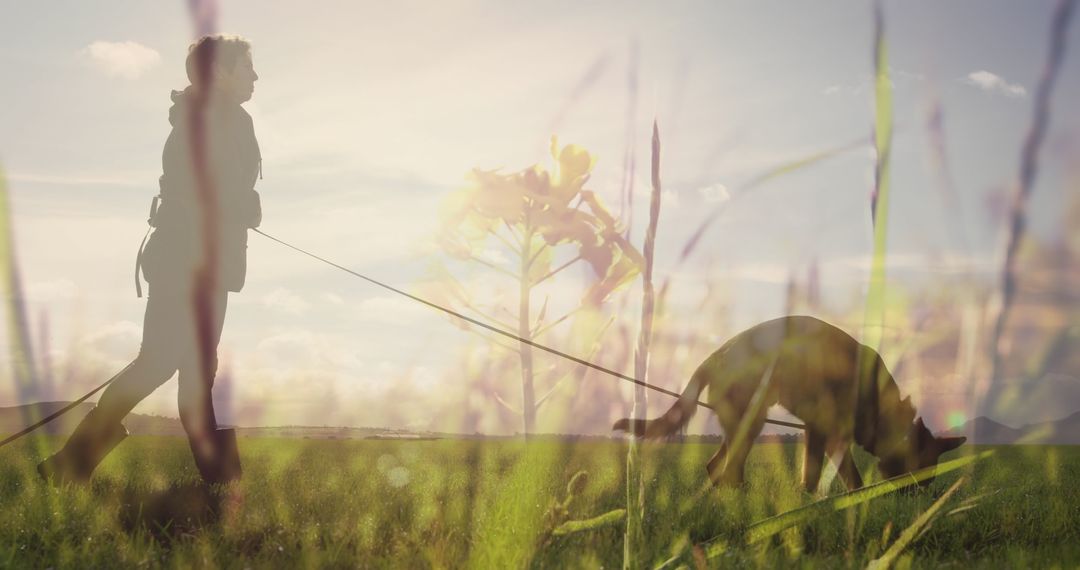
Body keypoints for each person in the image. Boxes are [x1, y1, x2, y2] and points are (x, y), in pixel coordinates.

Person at [38, 34, 263, 485]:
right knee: (162, 362)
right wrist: (246, 207)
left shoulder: (224, 120)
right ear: (219, 71)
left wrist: (241, 207)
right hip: (186, 263)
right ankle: (70, 466)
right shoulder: (205, 122)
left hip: (205, 266)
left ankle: (222, 490)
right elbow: (214, 189)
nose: (254, 75)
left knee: (193, 373)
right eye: (246, 66)